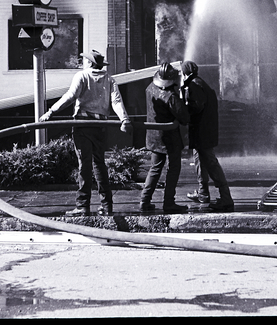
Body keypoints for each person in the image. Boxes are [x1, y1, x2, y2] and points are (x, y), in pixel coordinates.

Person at [40, 49, 131, 216]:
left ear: (89, 63)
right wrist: (124, 119)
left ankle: (83, 205)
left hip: (82, 124)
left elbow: (71, 96)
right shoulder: (109, 79)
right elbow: (116, 101)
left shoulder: (81, 76)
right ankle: (107, 205)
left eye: (85, 61)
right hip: (100, 125)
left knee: (84, 164)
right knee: (100, 163)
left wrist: (51, 111)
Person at [180, 60, 234, 212]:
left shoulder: (194, 86)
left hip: (202, 132)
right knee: (200, 161)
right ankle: (203, 193)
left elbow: (196, 107)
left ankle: (226, 198)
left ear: (184, 73)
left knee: (210, 163)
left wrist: (183, 109)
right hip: (204, 131)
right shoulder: (200, 83)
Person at [139, 62, 190, 214]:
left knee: (155, 168)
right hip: (169, 138)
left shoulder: (150, 88)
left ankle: (144, 201)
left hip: (153, 136)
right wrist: (182, 99)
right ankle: (169, 203)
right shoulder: (171, 96)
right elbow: (184, 118)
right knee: (173, 168)